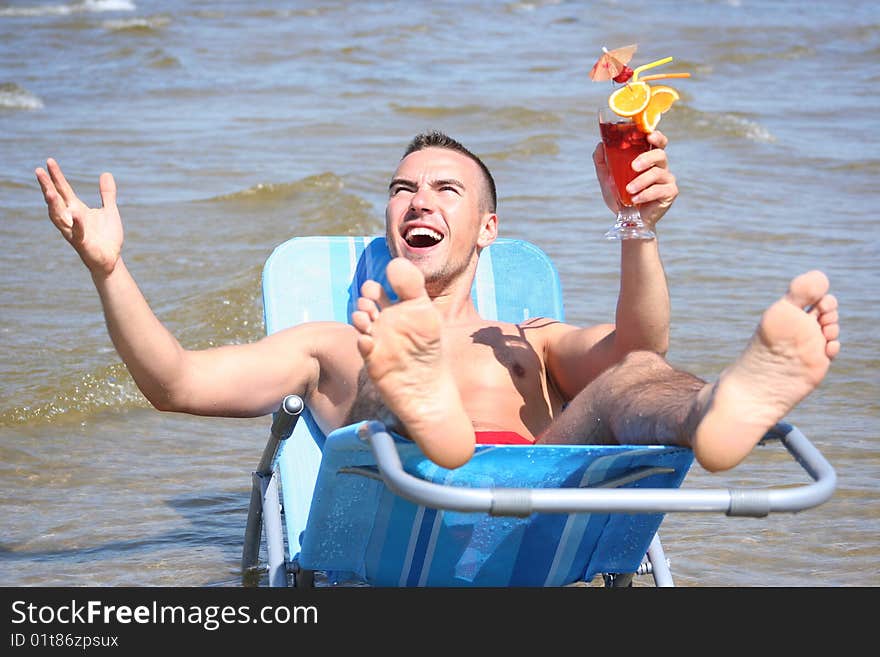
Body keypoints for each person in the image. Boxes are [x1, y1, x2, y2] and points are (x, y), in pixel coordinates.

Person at [35, 131, 839, 472]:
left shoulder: (530, 339)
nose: (418, 201)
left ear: (487, 226)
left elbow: (638, 340)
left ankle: (716, 409)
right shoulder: (337, 344)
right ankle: (418, 414)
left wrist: (636, 223)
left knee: (634, 376)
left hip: (537, 502)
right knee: (383, 376)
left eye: (444, 189)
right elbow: (173, 382)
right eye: (402, 190)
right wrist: (109, 268)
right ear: (387, 217)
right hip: (402, 501)